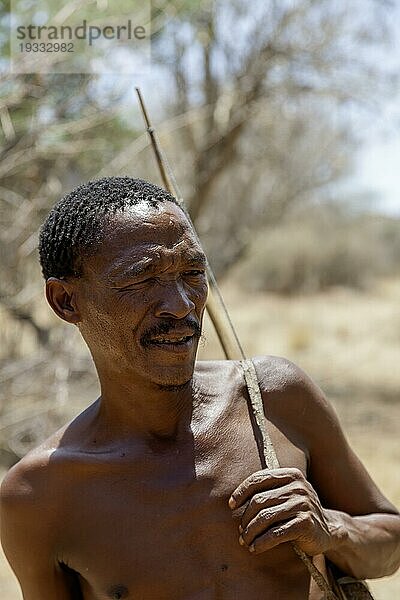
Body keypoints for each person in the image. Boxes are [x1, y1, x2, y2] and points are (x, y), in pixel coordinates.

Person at [1, 176, 399, 600]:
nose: (181, 304)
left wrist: (334, 530)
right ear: (66, 302)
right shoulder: (39, 496)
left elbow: (391, 544)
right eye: (141, 280)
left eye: (192, 272)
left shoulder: (273, 397)